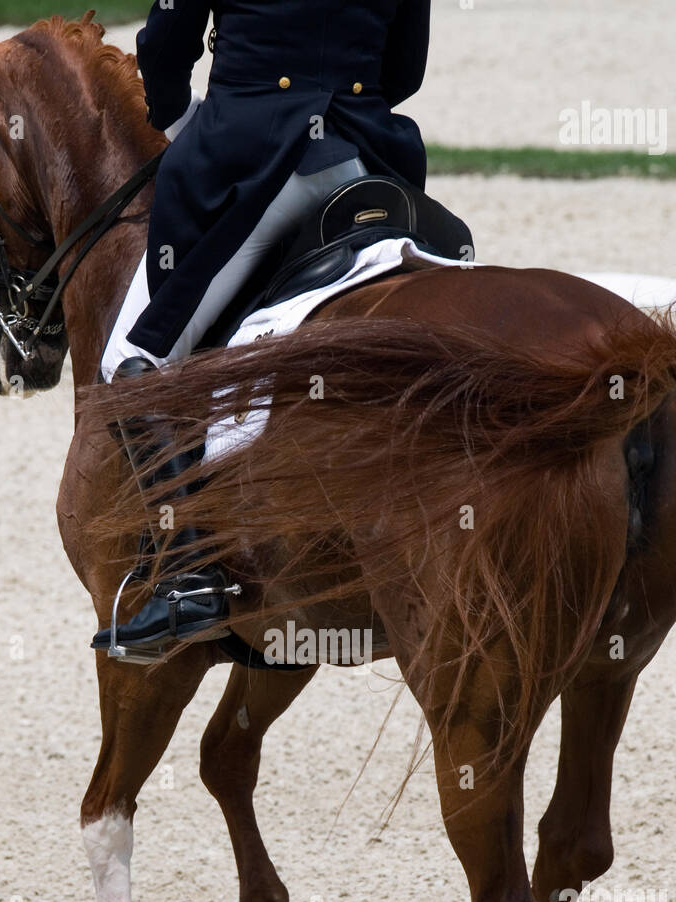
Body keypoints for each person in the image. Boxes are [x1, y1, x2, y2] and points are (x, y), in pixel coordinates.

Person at [94, 0, 431, 656]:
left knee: (137, 366)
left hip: (257, 160)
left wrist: (178, 115)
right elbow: (404, 69)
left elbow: (167, 46)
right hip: (367, 163)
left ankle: (187, 580)